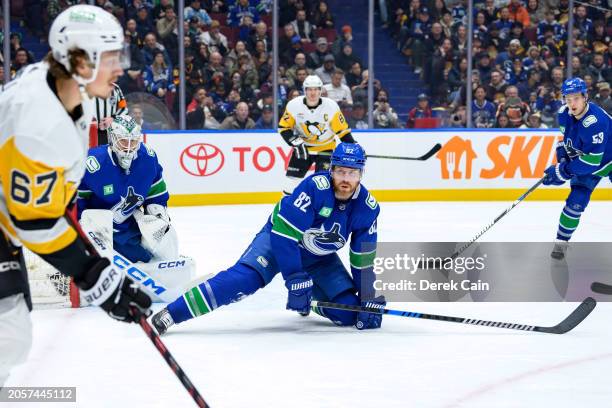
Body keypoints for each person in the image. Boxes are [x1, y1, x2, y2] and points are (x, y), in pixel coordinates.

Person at [0, 5, 152, 386]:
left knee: (11, 330)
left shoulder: (67, 94)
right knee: (9, 333)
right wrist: (92, 275)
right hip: (10, 224)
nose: (121, 68)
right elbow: (34, 223)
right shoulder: (40, 122)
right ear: (81, 61)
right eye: (112, 58)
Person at [151, 143, 384, 335]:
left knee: (347, 313)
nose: (346, 178)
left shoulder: (367, 207)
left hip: (318, 257)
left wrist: (368, 297)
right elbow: (284, 236)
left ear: (361, 174)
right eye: (341, 171)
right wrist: (294, 277)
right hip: (277, 242)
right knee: (243, 280)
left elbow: (363, 261)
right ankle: (173, 313)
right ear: (331, 169)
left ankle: (309, 300)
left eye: (352, 173)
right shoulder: (314, 187)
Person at [543, 78, 612, 259]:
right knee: (575, 204)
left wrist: (562, 171)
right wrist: (563, 157)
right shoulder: (563, 113)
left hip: (606, 161)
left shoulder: (595, 121)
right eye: (568, 98)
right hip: (589, 163)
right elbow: (567, 142)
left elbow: (591, 162)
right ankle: (561, 243)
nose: (571, 103)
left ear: (585, 97)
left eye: (576, 98)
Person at [278, 75, 356, 194]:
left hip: (326, 149)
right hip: (303, 149)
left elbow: (343, 132)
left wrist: (354, 148)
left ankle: (319, 211)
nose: (313, 93)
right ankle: (286, 210)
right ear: (304, 90)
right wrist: (297, 143)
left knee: (322, 185)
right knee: (290, 185)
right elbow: (283, 128)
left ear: (321, 90)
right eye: (309, 89)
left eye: (316, 89)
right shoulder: (293, 105)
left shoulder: (331, 106)